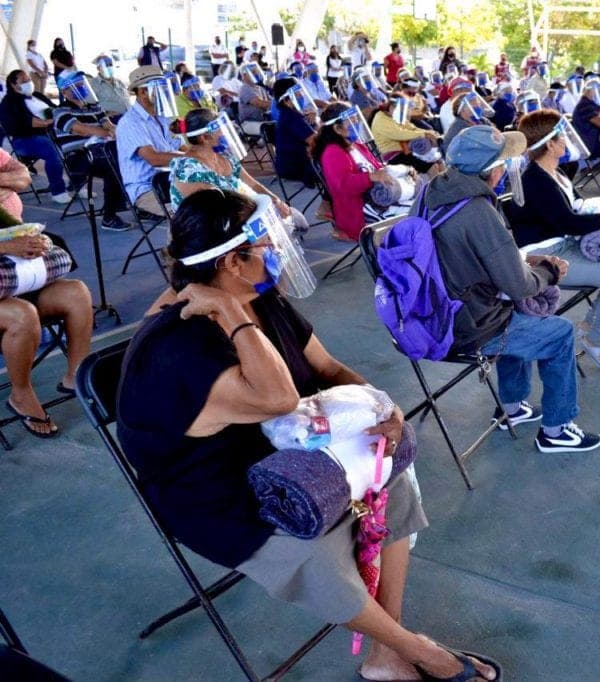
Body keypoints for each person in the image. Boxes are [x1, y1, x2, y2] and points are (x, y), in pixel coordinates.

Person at [117, 189, 501, 681]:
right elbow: (277, 398)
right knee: (313, 545)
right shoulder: (180, 348)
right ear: (234, 261)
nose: (279, 252)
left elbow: (327, 367)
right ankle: (419, 653)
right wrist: (231, 315)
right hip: (216, 496)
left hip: (287, 453)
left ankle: (386, 650)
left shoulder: (263, 300)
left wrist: (379, 406)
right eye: (268, 245)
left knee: (393, 477)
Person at [422, 125, 600, 452]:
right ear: (491, 170)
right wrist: (548, 270)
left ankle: (513, 407)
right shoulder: (477, 210)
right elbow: (519, 286)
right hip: (467, 326)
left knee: (511, 312)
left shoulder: (433, 192)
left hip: (429, 316)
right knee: (558, 331)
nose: (509, 166)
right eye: (504, 160)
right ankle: (557, 430)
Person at [505, 109, 600, 374]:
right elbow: (568, 222)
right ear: (551, 144)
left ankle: (598, 324)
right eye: (561, 136)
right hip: (544, 255)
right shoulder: (536, 180)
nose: (566, 140)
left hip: (562, 243)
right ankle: (595, 339)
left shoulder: (555, 172)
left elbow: (571, 214)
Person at [0, 148, 94, 438]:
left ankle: (75, 376)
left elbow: (23, 175)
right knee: (22, 314)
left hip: (14, 270)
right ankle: (21, 394)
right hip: (8, 263)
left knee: (76, 293)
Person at [168, 108, 308, 234]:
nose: (224, 133)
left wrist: (277, 202)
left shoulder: (223, 157)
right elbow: (213, 211)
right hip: (206, 230)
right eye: (220, 130)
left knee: (293, 220)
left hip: (235, 219)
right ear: (204, 138)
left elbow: (254, 185)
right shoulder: (186, 170)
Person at [52, 71, 131, 230]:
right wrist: (108, 133)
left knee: (130, 158)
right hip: (78, 156)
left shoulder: (94, 107)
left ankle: (140, 204)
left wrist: (115, 130)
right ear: (64, 92)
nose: (81, 88)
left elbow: (107, 123)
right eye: (76, 86)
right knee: (115, 161)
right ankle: (110, 216)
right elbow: (82, 129)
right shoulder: (60, 111)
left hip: (101, 151)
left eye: (82, 85)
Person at [116, 66, 186, 217]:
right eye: (160, 89)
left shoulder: (163, 118)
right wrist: (194, 158)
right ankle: (176, 241)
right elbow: (154, 159)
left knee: (213, 198)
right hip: (148, 188)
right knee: (186, 214)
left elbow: (182, 147)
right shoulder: (130, 122)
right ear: (142, 92)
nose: (166, 93)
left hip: (171, 180)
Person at [313, 103, 390, 240]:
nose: (356, 122)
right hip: (358, 211)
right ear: (337, 128)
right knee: (409, 215)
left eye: (356, 118)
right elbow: (343, 185)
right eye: (352, 120)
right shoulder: (332, 152)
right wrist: (370, 177)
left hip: (374, 199)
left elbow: (376, 167)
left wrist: (394, 171)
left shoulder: (356, 145)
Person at [0, 70, 75, 204]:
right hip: (25, 140)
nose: (28, 82)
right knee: (52, 150)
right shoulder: (9, 102)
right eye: (23, 81)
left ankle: (77, 185)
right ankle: (58, 191)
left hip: (52, 133)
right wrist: (46, 123)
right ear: (13, 85)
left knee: (77, 145)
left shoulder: (38, 96)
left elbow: (55, 110)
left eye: (28, 79)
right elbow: (16, 124)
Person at [370, 94, 441, 173]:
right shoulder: (380, 120)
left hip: (407, 149)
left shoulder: (396, 115)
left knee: (438, 161)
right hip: (395, 155)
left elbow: (412, 128)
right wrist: (424, 134)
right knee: (431, 167)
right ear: (391, 107)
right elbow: (400, 134)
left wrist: (428, 133)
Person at [271, 78, 318, 187]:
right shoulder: (291, 116)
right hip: (295, 166)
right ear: (286, 101)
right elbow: (315, 140)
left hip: (298, 161)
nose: (301, 96)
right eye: (297, 94)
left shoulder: (293, 114)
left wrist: (315, 121)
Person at [90, 55, 131, 119]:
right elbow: (90, 106)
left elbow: (127, 98)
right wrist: (105, 114)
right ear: (98, 68)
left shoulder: (119, 82)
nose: (109, 67)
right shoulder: (93, 84)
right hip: (112, 120)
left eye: (110, 65)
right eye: (106, 65)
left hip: (129, 116)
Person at [238, 63, 271, 136]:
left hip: (262, 120)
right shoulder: (245, 88)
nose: (256, 74)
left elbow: (269, 102)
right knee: (271, 129)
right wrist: (276, 102)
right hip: (248, 123)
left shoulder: (260, 88)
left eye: (257, 71)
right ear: (244, 75)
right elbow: (259, 103)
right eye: (253, 72)